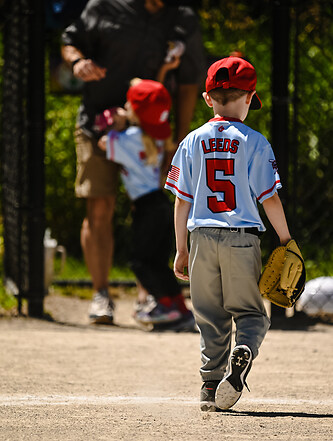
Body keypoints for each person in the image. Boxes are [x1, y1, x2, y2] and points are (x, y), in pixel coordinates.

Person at [61, 0, 205, 324]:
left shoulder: (182, 18)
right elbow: (70, 41)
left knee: (147, 218)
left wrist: (178, 138)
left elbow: (188, 81)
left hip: (150, 135)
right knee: (99, 208)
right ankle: (101, 295)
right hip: (95, 122)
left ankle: (149, 298)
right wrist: (79, 62)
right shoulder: (104, 7)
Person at [164, 56, 293, 411]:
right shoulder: (255, 141)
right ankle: (245, 349)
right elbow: (269, 198)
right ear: (249, 97)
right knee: (250, 314)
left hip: (201, 237)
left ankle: (209, 386)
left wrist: (180, 249)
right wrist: (285, 240)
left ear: (208, 99)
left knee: (209, 314)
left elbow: (180, 202)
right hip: (242, 238)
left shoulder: (191, 141)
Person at [98, 78, 195, 330]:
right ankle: (179, 308)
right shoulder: (157, 137)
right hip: (160, 203)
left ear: (133, 110)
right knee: (156, 262)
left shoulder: (129, 137)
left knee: (140, 262)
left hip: (146, 207)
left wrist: (114, 122)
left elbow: (102, 141)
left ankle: (166, 306)